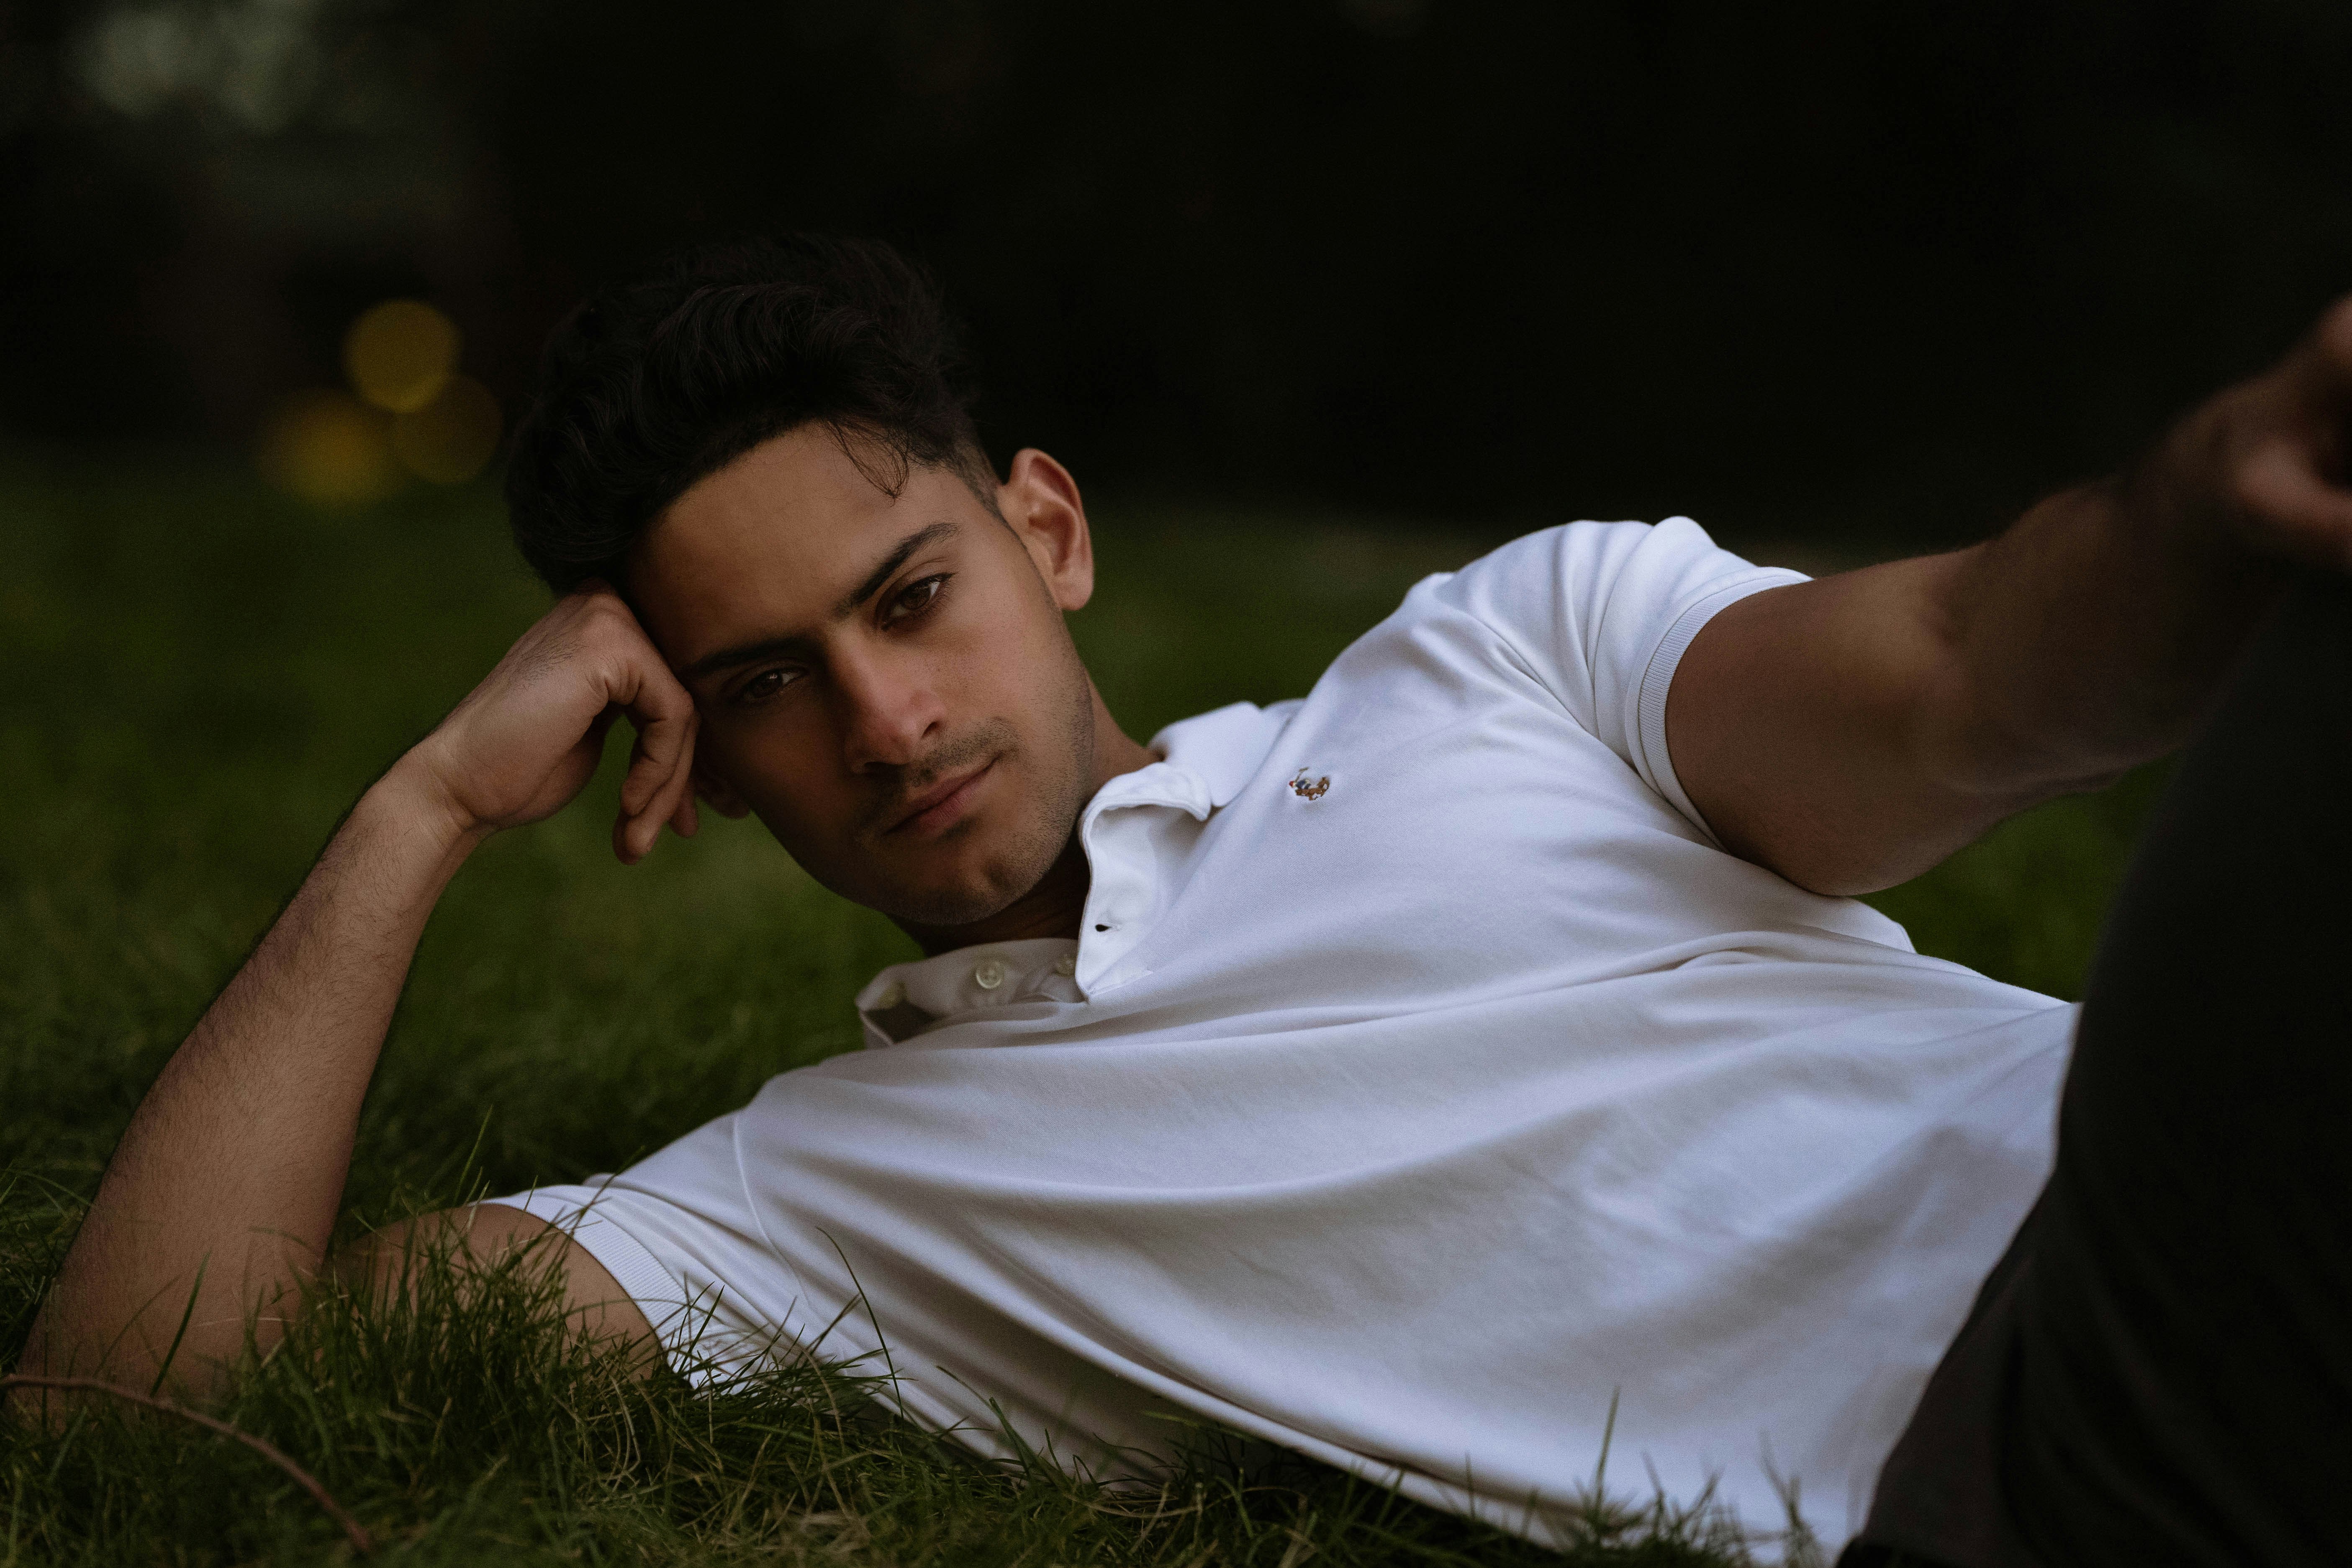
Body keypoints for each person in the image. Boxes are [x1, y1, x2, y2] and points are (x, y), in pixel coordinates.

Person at [15, 235, 2352, 1565]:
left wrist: (2210, 508)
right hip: (2046, 1452)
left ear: (1045, 531)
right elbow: (139, 1402)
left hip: (2170, 1167)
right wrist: (420, 800)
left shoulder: (1506, 651)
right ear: (699, 759)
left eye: (910, 595)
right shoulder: (817, 1199)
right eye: (768, 683)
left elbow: (1960, 673)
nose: (886, 714)